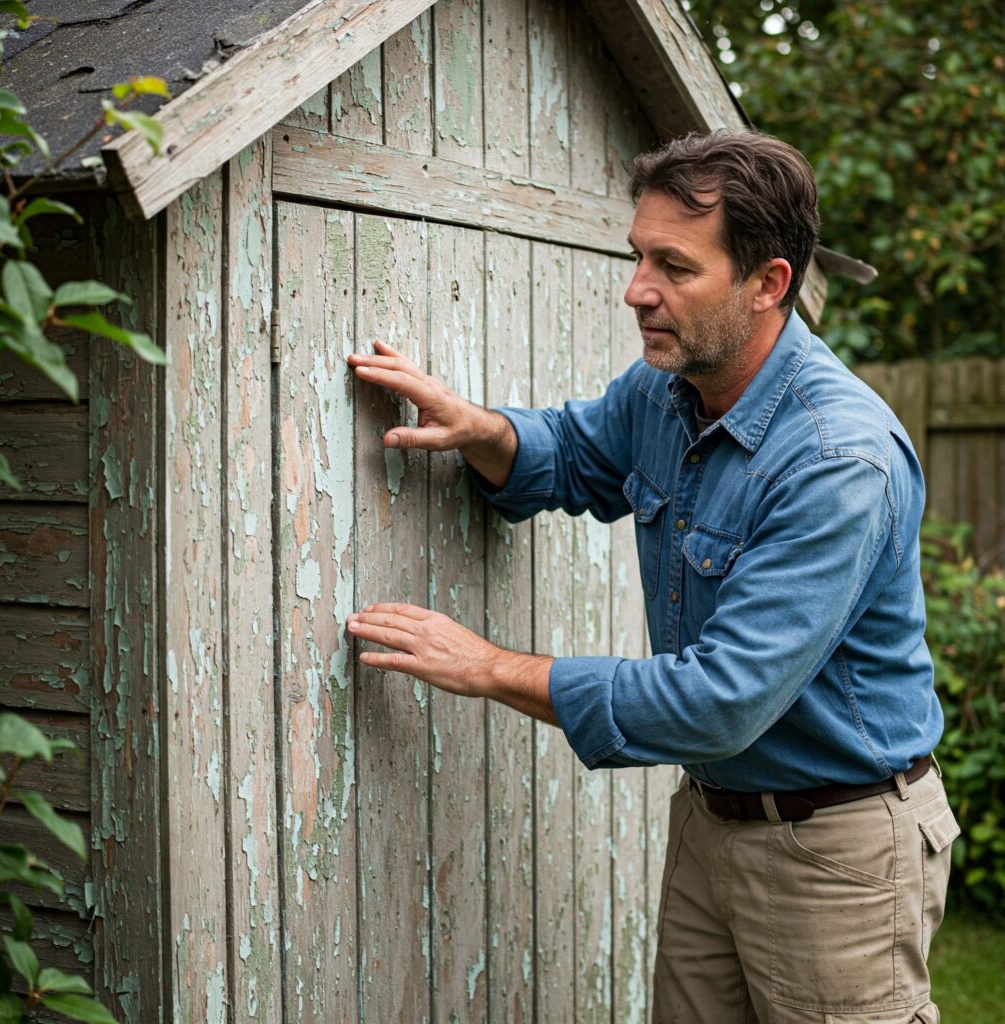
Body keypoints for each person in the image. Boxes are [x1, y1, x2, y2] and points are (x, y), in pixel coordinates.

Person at [345, 129, 957, 1023]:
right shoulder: (667, 391)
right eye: (638, 256)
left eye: (674, 265)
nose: (638, 290)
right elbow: (575, 453)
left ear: (768, 283)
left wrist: (489, 668)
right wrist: (480, 426)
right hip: (716, 819)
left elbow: (720, 700)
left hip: (840, 850)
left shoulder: (836, 461)